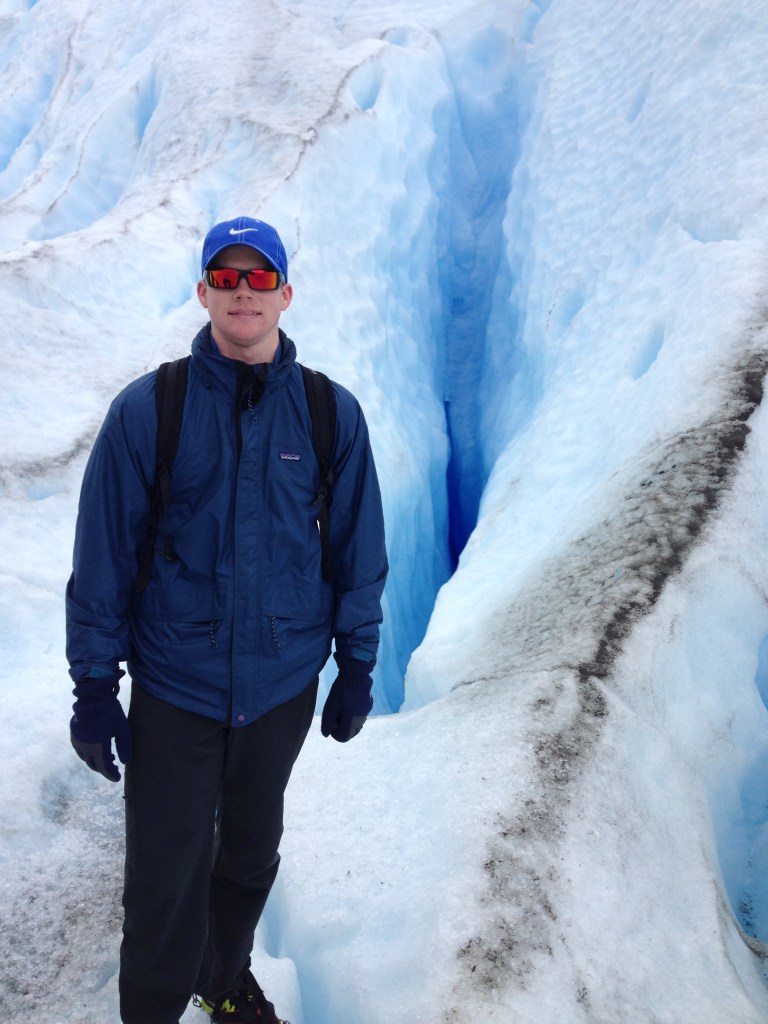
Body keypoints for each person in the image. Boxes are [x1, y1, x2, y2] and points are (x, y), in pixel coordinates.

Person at [65, 216, 388, 1024]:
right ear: (204, 291)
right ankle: (151, 1011)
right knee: (163, 878)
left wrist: (357, 664)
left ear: (285, 292)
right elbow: (103, 557)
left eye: (259, 277)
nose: (243, 292)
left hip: (280, 684)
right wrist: (94, 687)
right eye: (226, 276)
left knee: (248, 853)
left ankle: (222, 976)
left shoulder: (329, 414)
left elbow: (356, 547)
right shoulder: (150, 410)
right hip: (179, 684)